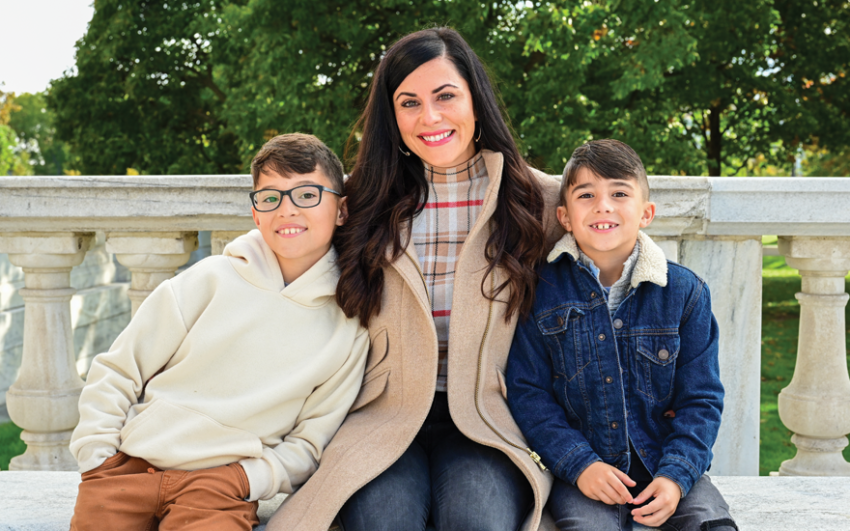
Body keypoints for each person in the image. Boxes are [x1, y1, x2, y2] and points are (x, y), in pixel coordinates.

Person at [266, 27, 563, 531]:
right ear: (391, 115)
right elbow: (274, 241)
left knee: (476, 521)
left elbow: (625, 258)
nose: (430, 117)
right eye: (409, 102)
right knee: (384, 521)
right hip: (382, 414)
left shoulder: (541, 200)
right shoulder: (359, 201)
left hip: (490, 418)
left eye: (445, 96)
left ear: (475, 99)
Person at [68, 133, 369, 531]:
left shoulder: (348, 326)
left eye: (307, 195)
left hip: (220, 487)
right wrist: (97, 456)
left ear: (342, 209)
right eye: (271, 197)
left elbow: (310, 443)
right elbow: (119, 369)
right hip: (129, 469)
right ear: (255, 213)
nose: (287, 210)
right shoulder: (208, 279)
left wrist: (246, 479)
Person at [506, 139, 738, 531]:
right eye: (586, 195)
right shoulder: (541, 292)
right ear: (564, 216)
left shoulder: (684, 294)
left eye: (619, 193)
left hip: (665, 464)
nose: (603, 206)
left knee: (710, 523)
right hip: (584, 472)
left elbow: (701, 398)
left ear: (646, 212)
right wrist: (579, 464)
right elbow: (529, 394)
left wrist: (676, 476)